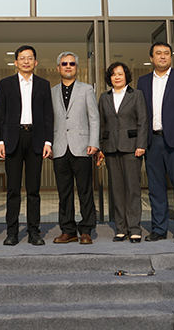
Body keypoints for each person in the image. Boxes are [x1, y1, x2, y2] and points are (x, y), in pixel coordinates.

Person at [136, 41, 174, 243]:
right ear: (151, 58)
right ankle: (159, 229)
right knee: (156, 189)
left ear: (171, 56)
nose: (162, 56)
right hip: (152, 141)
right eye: (158, 53)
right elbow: (140, 113)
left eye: (166, 53)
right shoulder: (143, 81)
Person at [0, 45, 54, 246]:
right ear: (16, 62)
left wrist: (48, 142)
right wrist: (1, 141)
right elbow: (1, 115)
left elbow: (48, 115)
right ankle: (11, 232)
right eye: (22, 58)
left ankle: (34, 232)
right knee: (13, 189)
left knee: (33, 190)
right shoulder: (5, 84)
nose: (26, 61)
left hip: (36, 139)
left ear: (35, 62)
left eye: (30, 58)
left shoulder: (43, 84)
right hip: (13, 139)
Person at [50, 51, 100, 245]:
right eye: (64, 64)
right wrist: (49, 144)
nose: (68, 66)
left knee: (85, 190)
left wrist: (94, 143)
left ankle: (86, 230)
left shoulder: (87, 90)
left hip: (82, 147)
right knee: (64, 192)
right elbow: (49, 120)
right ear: (58, 68)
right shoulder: (51, 91)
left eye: (72, 63)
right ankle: (68, 230)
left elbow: (94, 118)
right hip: (60, 147)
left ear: (76, 67)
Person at [98, 62, 147, 243]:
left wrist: (141, 144)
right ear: (109, 78)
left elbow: (143, 120)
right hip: (111, 147)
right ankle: (121, 228)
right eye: (113, 74)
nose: (117, 77)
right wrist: (100, 147)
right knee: (117, 190)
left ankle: (134, 228)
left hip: (132, 147)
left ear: (126, 76)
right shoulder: (104, 97)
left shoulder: (136, 95)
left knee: (132, 189)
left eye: (120, 73)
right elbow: (101, 123)